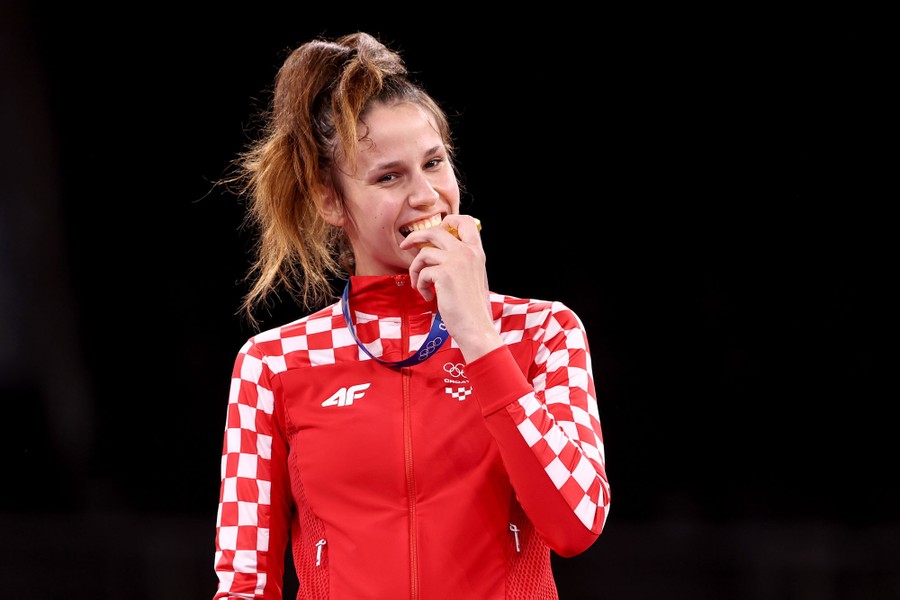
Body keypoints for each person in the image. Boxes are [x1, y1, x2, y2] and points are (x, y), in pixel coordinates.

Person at [211, 31, 611, 600]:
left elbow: (576, 525)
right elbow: (245, 586)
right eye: (389, 176)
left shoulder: (544, 332)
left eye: (434, 163)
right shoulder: (273, 365)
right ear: (330, 200)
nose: (427, 196)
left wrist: (477, 331)